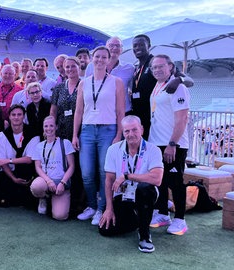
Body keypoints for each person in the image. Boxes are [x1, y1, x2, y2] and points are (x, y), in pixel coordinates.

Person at [72, 46, 125, 225]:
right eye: (97, 56)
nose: (100, 60)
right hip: (87, 130)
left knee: (105, 172)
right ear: (92, 59)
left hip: (108, 130)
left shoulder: (116, 82)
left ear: (109, 60)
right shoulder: (84, 83)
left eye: (104, 57)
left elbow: (120, 111)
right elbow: (78, 111)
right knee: (86, 172)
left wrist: (119, 134)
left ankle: (102, 208)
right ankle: (92, 206)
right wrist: (75, 135)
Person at [99, 115, 163, 253]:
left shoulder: (153, 150)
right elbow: (109, 180)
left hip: (145, 194)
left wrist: (127, 176)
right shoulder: (113, 150)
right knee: (105, 229)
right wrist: (109, 208)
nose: (131, 134)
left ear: (142, 129)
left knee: (144, 187)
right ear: (123, 133)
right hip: (123, 195)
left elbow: (157, 179)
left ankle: (145, 235)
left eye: (134, 130)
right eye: (126, 131)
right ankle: (139, 219)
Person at [148, 54, 191, 235]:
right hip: (156, 142)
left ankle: (180, 219)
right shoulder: (158, 86)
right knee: (161, 181)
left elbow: (182, 118)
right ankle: (163, 214)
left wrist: (172, 144)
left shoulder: (178, 87)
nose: (157, 70)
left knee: (175, 182)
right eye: (154, 67)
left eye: (160, 66)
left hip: (173, 143)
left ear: (170, 66)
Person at [130, 34, 193, 139]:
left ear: (149, 46)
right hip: (139, 117)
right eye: (135, 46)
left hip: (152, 118)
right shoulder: (137, 67)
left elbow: (190, 81)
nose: (137, 48)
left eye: (141, 45)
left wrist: (178, 80)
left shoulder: (157, 63)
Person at [49, 56, 86, 215]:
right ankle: (65, 198)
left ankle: (81, 202)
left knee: (80, 168)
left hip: (81, 133)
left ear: (79, 67)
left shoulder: (85, 84)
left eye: (73, 66)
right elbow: (53, 110)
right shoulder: (59, 88)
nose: (70, 69)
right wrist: (52, 128)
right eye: (67, 67)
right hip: (63, 132)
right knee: (65, 166)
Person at [0, 104, 40, 208]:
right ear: (9, 117)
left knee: (29, 204)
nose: (16, 117)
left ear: (24, 116)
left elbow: (29, 159)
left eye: (19, 114)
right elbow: (1, 162)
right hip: (10, 173)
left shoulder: (33, 134)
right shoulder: (2, 135)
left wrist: (8, 160)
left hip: (26, 172)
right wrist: (13, 178)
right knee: (2, 202)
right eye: (13, 115)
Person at [30, 116, 75, 220]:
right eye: (46, 126)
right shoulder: (39, 146)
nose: (48, 128)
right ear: (43, 128)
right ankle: (43, 197)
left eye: (51, 126)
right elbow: (38, 166)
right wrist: (48, 181)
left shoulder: (65, 143)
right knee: (36, 186)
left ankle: (55, 199)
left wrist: (63, 182)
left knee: (60, 216)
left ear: (56, 127)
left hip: (61, 182)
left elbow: (72, 166)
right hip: (46, 181)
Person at [85, 37, 135, 113]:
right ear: (106, 47)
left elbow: (133, 88)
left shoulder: (129, 68)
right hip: (100, 113)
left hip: (123, 112)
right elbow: (86, 89)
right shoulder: (91, 66)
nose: (114, 48)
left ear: (121, 49)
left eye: (118, 46)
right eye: (111, 45)